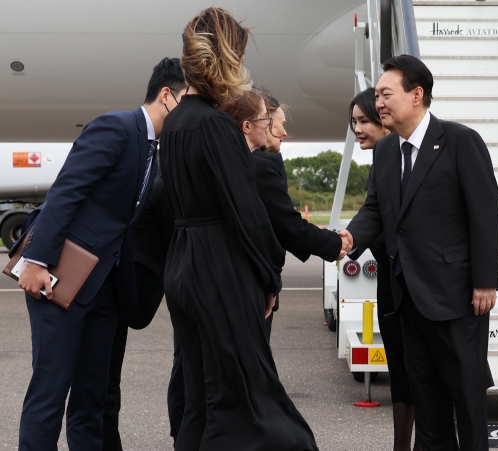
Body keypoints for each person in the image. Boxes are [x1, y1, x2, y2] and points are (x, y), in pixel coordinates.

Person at [159, 7, 318, 450]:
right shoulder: (215, 125)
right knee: (249, 396)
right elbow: (245, 211)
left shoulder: (174, 123)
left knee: (200, 396)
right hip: (219, 268)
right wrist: (269, 276)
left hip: (184, 264)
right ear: (229, 57)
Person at [13, 55, 182, 450]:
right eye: (189, 99)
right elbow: (66, 193)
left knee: (92, 401)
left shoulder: (153, 150)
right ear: (167, 96)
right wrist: (36, 261)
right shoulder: (117, 126)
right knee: (50, 396)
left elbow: (121, 224)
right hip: (60, 282)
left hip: (102, 292)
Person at [341, 55, 498, 451]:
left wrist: (486, 281)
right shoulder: (385, 152)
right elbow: (375, 211)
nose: (378, 103)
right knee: (427, 402)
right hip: (407, 299)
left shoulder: (460, 141)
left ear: (417, 95)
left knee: (466, 398)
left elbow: (487, 214)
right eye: (376, 95)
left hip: (457, 298)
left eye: (386, 94)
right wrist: (346, 240)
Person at [100, 57, 186, 451]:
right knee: (98, 383)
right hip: (110, 282)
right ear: (167, 96)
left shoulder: (163, 148)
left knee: (106, 383)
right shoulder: (128, 136)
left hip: (125, 280)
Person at [222, 88, 347, 338]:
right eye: (275, 123)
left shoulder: (224, 160)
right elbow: (286, 226)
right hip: (245, 285)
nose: (284, 132)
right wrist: (335, 244)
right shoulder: (257, 167)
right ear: (256, 123)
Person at [348, 87, 421, 451]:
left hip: (421, 285)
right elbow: (372, 214)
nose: (357, 129)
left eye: (363, 121)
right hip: (391, 287)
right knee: (401, 374)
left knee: (422, 374)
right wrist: (347, 241)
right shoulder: (383, 162)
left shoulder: (410, 161)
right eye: (354, 122)